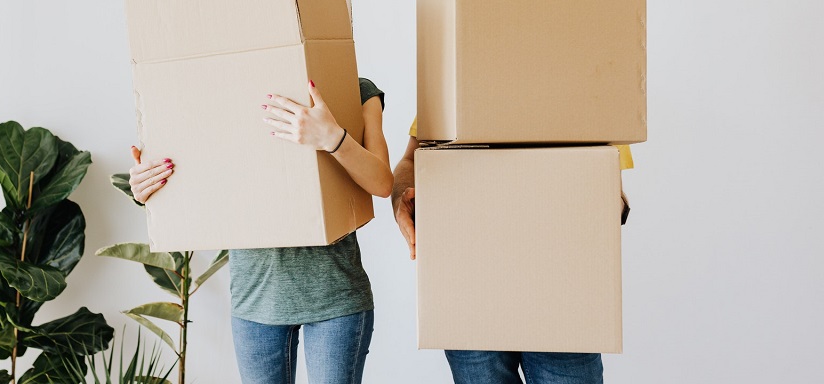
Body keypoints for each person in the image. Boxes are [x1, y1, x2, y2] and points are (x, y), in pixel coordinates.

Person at [129, 78, 392, 384]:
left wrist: (332, 137)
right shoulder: (219, 90)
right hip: (255, 300)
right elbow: (195, 173)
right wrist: (150, 185)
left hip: (335, 297)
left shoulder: (355, 88)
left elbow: (383, 183)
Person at [391, 118, 630, 384]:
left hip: (562, 291)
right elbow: (411, 161)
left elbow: (608, 175)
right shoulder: (455, 83)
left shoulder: (586, 89)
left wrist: (602, 208)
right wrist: (400, 202)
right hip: (469, 289)